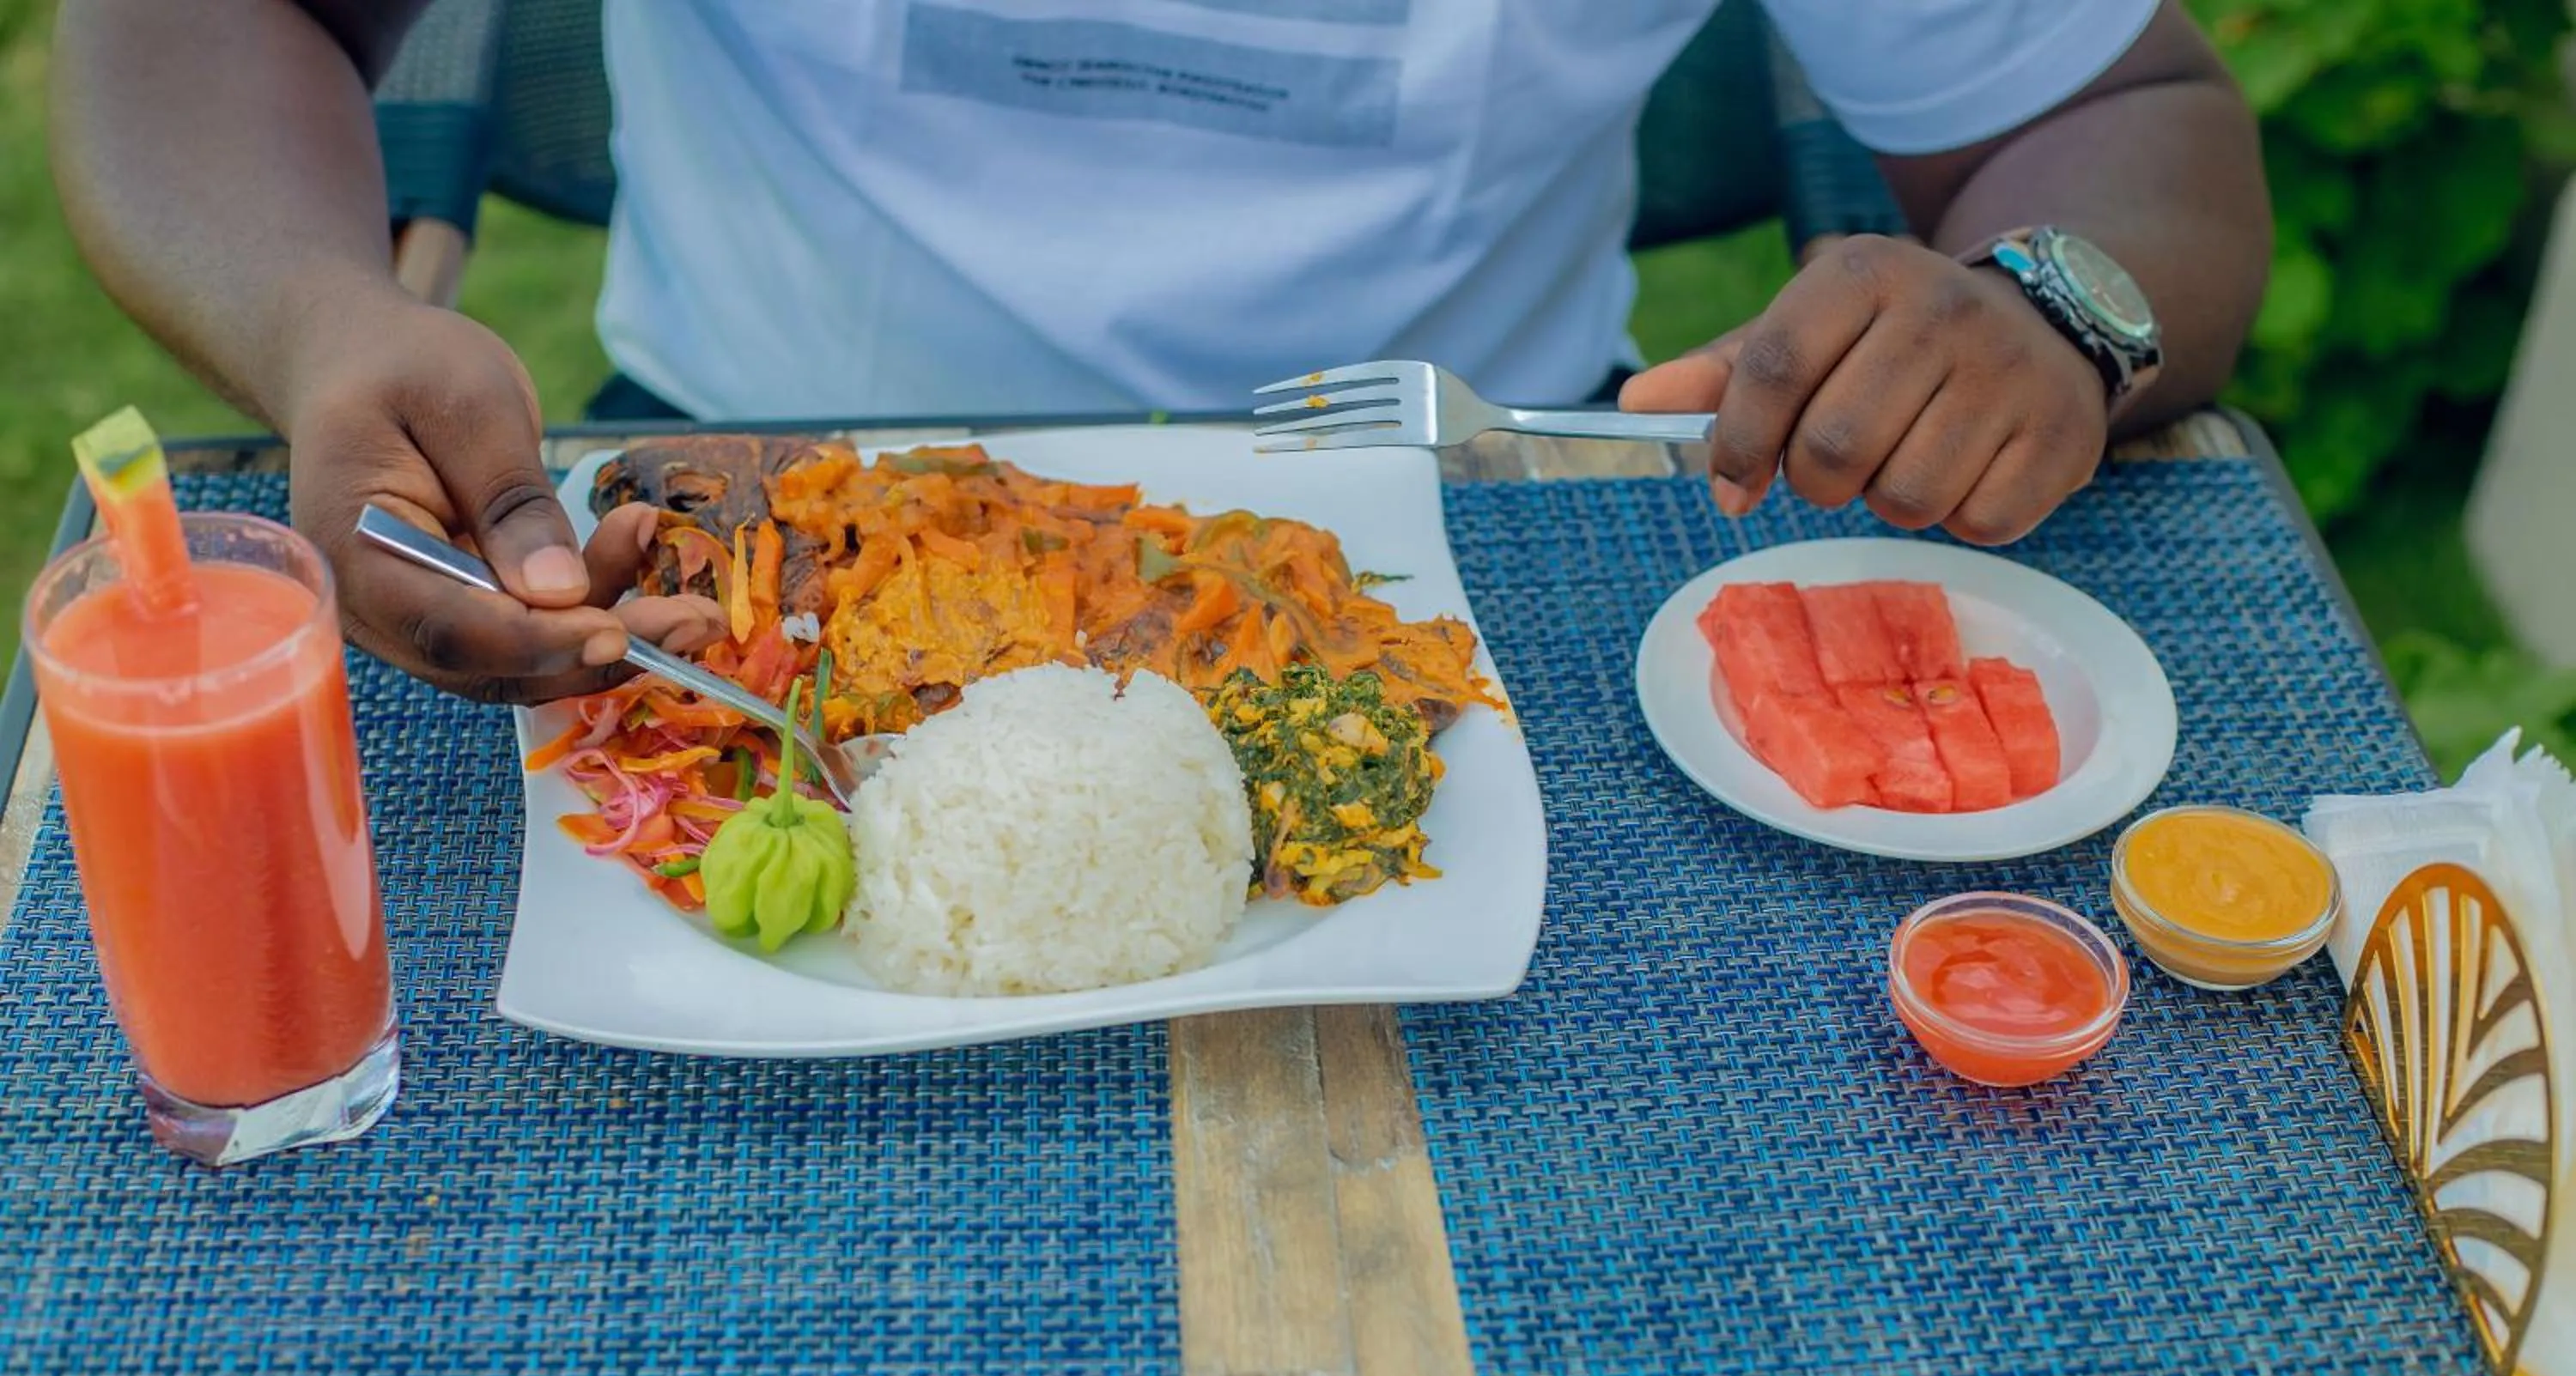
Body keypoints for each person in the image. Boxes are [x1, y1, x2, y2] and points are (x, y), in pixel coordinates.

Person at [51, 0, 2268, 706]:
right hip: (713, 557)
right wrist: (318, 313)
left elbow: (2128, 121)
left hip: (1491, 559)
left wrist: (2055, 312)